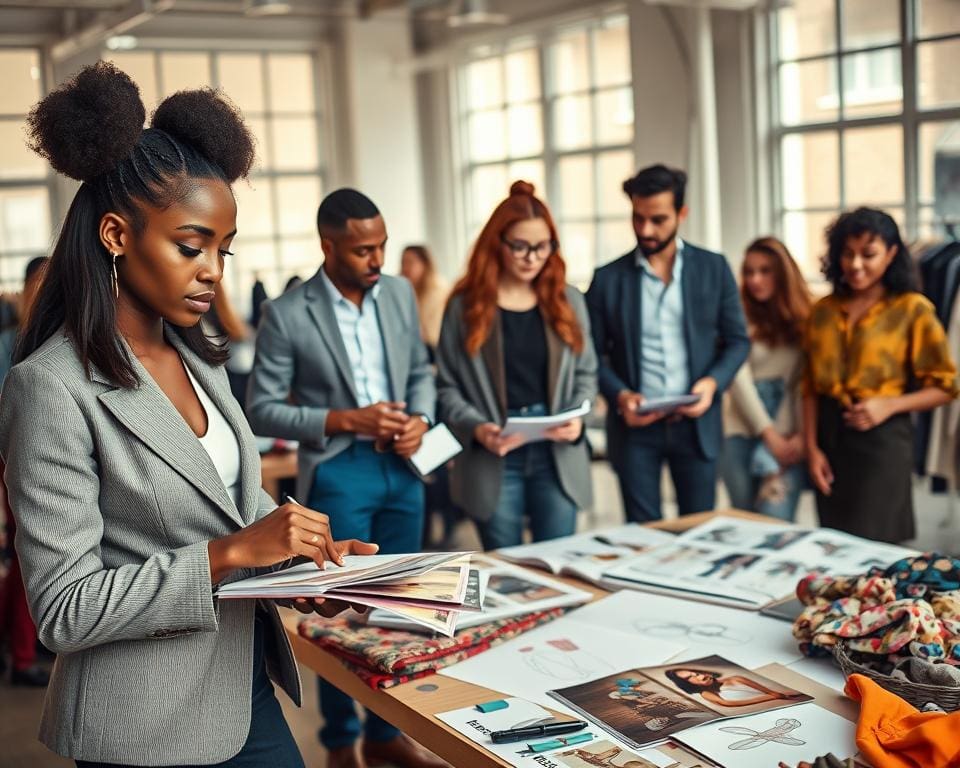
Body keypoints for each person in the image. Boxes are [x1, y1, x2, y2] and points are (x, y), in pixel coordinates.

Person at [0, 62, 378, 767]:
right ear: (116, 235)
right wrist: (233, 554)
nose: (213, 271)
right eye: (190, 246)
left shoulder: (200, 356)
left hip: (244, 685)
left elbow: (227, 501)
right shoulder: (49, 388)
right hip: (142, 722)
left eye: (222, 251)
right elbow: (63, 610)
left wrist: (305, 566)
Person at [246, 189, 443, 768]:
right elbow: (261, 408)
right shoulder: (288, 313)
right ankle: (338, 745)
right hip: (338, 470)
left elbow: (421, 373)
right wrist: (341, 419)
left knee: (398, 608)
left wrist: (421, 419)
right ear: (328, 247)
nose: (376, 259)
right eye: (362, 250)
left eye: (380, 245)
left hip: (403, 465)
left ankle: (386, 734)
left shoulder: (401, 293)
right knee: (341, 607)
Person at [436, 181, 597, 550]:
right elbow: (446, 387)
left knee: (559, 561)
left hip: (556, 451)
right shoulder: (464, 306)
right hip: (494, 453)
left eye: (542, 247)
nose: (531, 258)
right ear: (498, 243)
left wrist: (577, 419)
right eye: (520, 246)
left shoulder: (568, 299)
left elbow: (587, 374)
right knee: (506, 567)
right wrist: (478, 429)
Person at [586, 164, 749, 522]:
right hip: (635, 428)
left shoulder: (713, 268)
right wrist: (620, 396)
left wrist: (711, 385)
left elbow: (738, 341)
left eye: (658, 219)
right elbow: (592, 355)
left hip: (696, 424)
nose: (646, 230)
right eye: (638, 218)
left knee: (698, 531)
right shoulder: (606, 279)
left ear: (681, 213)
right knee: (643, 534)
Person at [803, 207, 959, 543]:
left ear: (891, 254)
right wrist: (811, 449)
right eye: (847, 253)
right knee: (832, 545)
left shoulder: (912, 310)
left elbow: (947, 387)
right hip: (829, 437)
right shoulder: (822, 311)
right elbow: (809, 387)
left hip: (883, 439)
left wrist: (888, 405)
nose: (855, 264)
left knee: (876, 548)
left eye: (868, 254)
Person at [720, 237, 812, 521]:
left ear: (782, 273)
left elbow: (804, 380)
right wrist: (767, 432)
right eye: (749, 271)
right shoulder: (736, 314)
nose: (755, 279)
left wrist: (800, 435)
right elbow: (738, 377)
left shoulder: (808, 318)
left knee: (777, 520)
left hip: (789, 435)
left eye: (764, 270)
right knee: (746, 523)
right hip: (740, 432)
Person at [0, 255, 50, 687]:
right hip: (13, 460)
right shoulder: (11, 344)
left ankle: (26, 646)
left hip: (42, 459)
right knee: (23, 555)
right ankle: (20, 653)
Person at [664, 668, 806, 707]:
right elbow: (729, 703)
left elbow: (768, 690)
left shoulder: (734, 679)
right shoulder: (706, 693)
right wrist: (771, 696)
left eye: (696, 673)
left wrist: (775, 694)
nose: (699, 676)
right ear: (688, 684)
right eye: (690, 678)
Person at [400, 244, 449, 352]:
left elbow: (433, 338)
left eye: (410, 263)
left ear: (425, 264)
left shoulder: (439, 292)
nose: (405, 268)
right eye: (403, 263)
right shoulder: (407, 292)